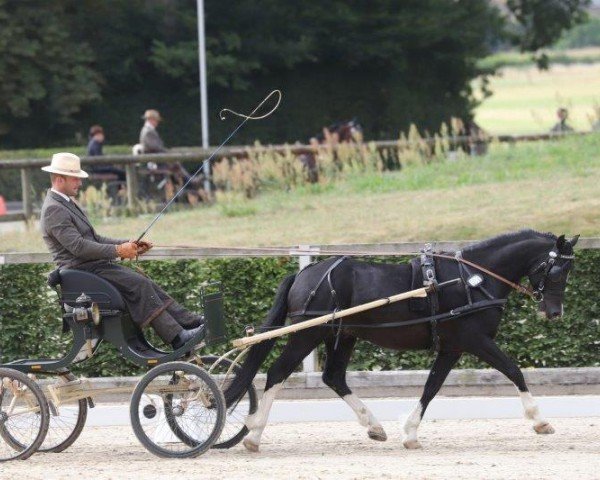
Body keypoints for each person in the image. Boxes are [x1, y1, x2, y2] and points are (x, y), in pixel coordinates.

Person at [39, 152, 203, 349]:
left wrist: (128, 244)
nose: (79, 183)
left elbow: (95, 239)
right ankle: (178, 338)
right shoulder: (54, 209)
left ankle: (189, 322)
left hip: (91, 268)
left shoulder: (65, 203)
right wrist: (119, 250)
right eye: (75, 178)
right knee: (139, 284)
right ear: (59, 179)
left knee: (144, 282)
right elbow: (79, 247)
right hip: (81, 272)